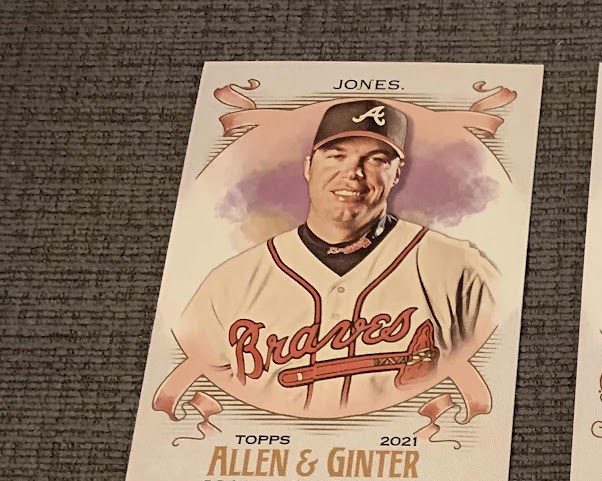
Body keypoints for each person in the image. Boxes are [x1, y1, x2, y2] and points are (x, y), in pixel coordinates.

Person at [156, 98, 497, 416]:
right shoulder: (232, 281)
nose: (354, 173)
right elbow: (188, 384)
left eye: (377, 160)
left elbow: (496, 372)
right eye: (336, 155)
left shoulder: (458, 269)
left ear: (397, 173)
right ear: (309, 166)